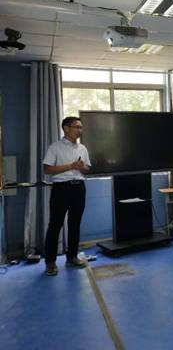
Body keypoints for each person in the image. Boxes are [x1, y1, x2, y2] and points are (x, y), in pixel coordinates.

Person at [43, 116, 91, 276]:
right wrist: (71, 166)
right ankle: (50, 262)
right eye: (77, 127)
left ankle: (72, 257)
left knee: (75, 224)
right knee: (55, 225)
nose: (80, 130)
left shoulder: (82, 148)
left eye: (81, 127)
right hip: (61, 189)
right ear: (66, 128)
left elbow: (87, 169)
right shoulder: (55, 147)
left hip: (79, 188)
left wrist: (81, 167)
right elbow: (47, 169)